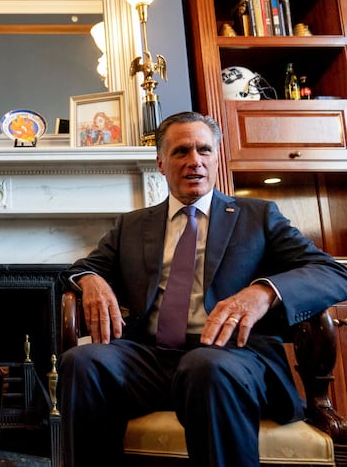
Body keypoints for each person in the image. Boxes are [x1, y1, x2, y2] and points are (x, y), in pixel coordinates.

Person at [58, 111, 347, 467]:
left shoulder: (257, 216)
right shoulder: (132, 226)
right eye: (181, 151)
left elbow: (332, 272)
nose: (194, 160)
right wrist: (90, 280)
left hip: (232, 356)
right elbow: (77, 269)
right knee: (82, 361)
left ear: (215, 158)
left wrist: (264, 292)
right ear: (161, 163)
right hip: (150, 358)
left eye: (204, 150)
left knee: (204, 366)